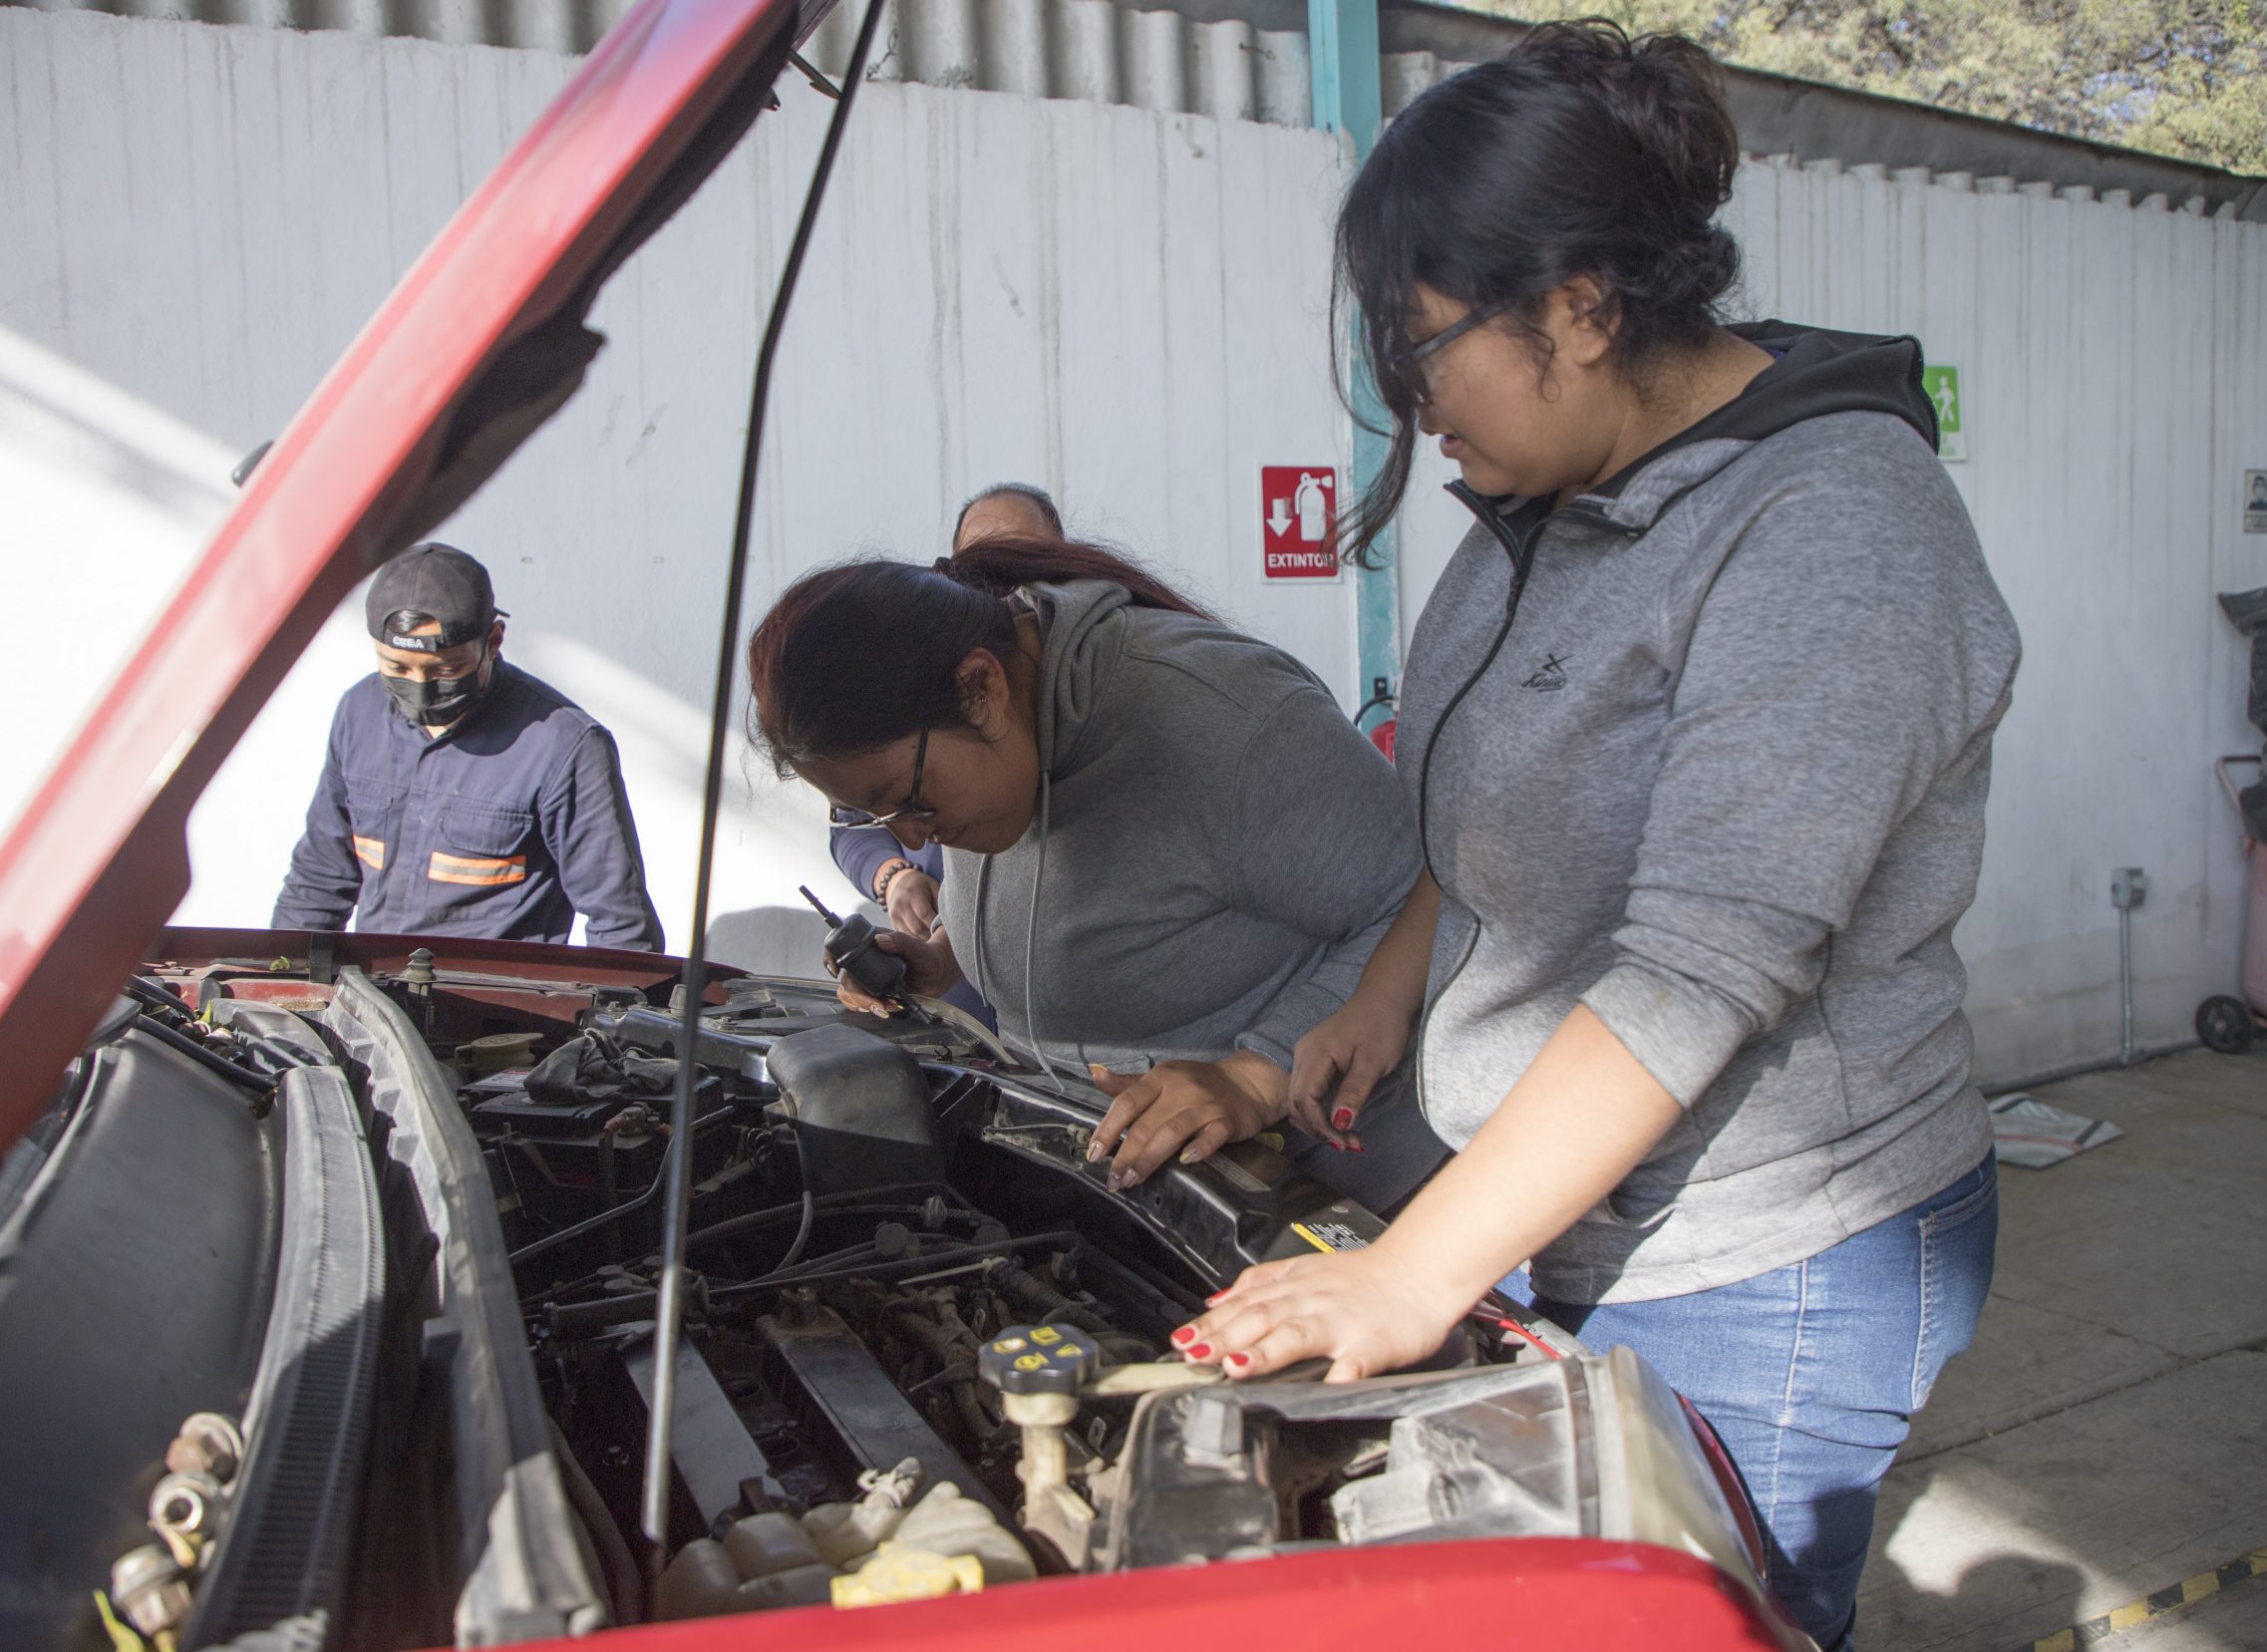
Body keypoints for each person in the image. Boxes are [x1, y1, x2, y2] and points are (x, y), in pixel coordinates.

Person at [1171, 27, 2019, 1650]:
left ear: (1579, 304)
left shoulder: (1832, 529)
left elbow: (1704, 963)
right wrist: (1385, 994)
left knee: (1698, 1621)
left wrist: (1414, 1271)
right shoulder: (1547, 501)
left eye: (1426, 351)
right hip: (1572, 1218)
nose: (1415, 410)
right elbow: (1494, 799)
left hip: (1770, 1257)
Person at [752, 535, 1448, 1212]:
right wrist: (948, 956)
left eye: (910, 798)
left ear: (981, 688)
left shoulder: (1225, 726)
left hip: (1344, 1196)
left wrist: (1258, 1073)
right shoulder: (995, 733)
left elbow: (1434, 893)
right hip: (1135, 1182)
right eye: (875, 814)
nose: (911, 835)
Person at [273, 542, 662, 949]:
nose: (420, 691)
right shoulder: (358, 714)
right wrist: (276, 980)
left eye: (445, 669)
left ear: (493, 641)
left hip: (499, 1007)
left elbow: (620, 924)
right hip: (372, 1003)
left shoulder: (565, 746)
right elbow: (318, 879)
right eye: (397, 668)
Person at [826, 485, 1063, 1021]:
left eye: (1028, 562)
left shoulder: (1098, 707)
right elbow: (853, 821)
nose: (1006, 589)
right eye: (981, 569)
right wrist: (894, 878)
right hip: (963, 1009)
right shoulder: (914, 681)